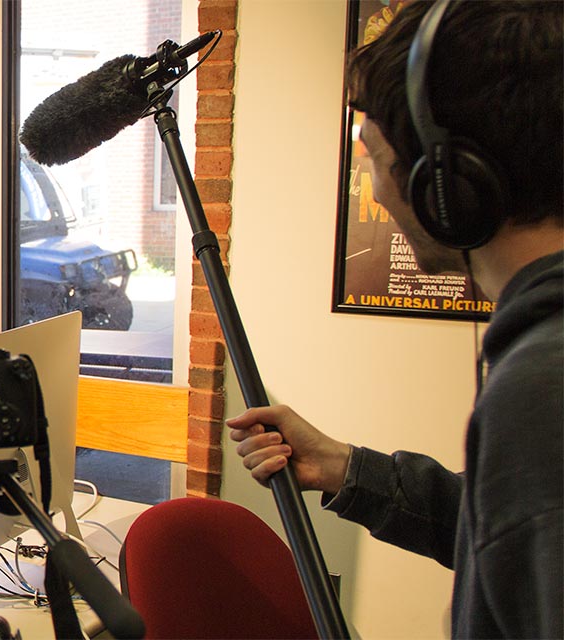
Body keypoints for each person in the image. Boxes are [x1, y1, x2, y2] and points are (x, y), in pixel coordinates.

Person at [228, 2, 562, 638]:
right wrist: (345, 467)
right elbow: (500, 521)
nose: (375, 187)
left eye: (374, 153)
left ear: (447, 181)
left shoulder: (543, 391)